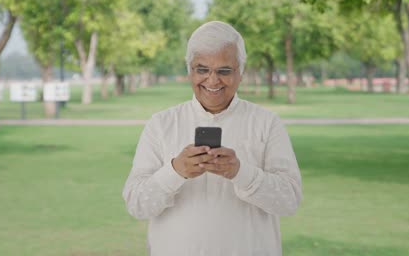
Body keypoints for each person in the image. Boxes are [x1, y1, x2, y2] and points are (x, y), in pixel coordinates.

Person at [122, 21, 302, 256]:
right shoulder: (161, 124)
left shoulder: (267, 123)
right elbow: (137, 205)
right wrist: (175, 171)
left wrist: (240, 172)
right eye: (202, 69)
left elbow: (289, 201)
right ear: (190, 71)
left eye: (224, 71)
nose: (212, 80)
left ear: (241, 72)